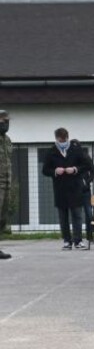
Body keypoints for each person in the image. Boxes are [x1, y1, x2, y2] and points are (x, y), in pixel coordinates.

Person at [42, 128, 92, 250]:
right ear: (56, 139)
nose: (62, 141)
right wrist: (55, 171)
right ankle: (67, 241)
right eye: (60, 139)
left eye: (64, 139)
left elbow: (86, 165)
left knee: (77, 215)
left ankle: (78, 240)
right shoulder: (51, 151)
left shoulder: (76, 149)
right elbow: (45, 170)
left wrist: (75, 169)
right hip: (60, 189)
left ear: (67, 137)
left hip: (75, 187)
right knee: (63, 217)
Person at [71, 139, 94, 246]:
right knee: (76, 215)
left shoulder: (85, 157)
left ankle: (90, 236)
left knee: (89, 214)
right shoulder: (69, 159)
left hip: (85, 190)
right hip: (73, 191)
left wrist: (86, 182)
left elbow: (93, 172)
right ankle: (77, 237)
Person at [0, 109, 12, 260]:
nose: (5, 123)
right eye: (3, 120)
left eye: (7, 120)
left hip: (6, 183)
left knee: (2, 217)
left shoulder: (7, 140)